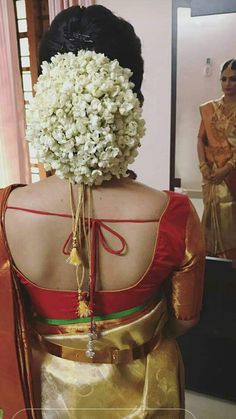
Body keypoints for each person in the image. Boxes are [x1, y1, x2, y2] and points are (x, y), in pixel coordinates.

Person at [0, 5, 205, 419]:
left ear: (49, 100)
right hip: (145, 391)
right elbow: (184, 320)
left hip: (50, 396)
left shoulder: (5, 211)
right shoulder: (173, 213)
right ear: (131, 103)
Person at [198, 59, 236, 260]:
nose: (227, 84)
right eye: (224, 79)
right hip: (212, 176)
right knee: (211, 223)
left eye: (233, 79)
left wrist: (227, 168)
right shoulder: (209, 109)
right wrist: (204, 166)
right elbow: (200, 139)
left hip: (232, 178)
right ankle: (213, 268)